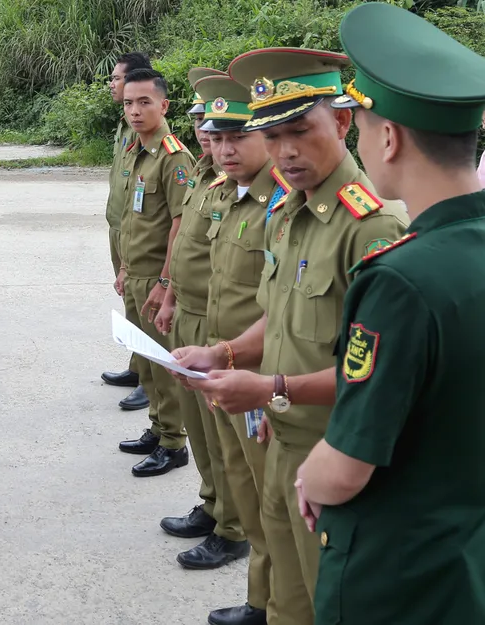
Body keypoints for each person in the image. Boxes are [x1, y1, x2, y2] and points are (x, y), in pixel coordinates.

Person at [174, 48, 409, 625]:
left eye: (300, 131)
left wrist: (269, 386)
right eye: (273, 137)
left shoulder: (372, 229)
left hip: (334, 456)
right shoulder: (290, 212)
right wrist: (225, 352)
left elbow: (382, 376)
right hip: (279, 439)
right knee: (286, 602)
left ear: (344, 122)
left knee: (331, 604)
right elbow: (278, 318)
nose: (286, 152)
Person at [296, 4, 485, 623]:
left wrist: (310, 476)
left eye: (361, 123)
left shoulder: (402, 279)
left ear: (389, 136)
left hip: (403, 577)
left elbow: (346, 469)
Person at [185, 73, 281, 625]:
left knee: (267, 500)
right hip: (226, 366)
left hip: (261, 379)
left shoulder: (281, 205)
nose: (223, 148)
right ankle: (260, 599)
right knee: (240, 483)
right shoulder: (231, 194)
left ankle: (269, 602)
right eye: (217, 137)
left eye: (237, 137)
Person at [155, 67, 249, 572]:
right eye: (212, 134)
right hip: (192, 317)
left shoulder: (260, 196)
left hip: (228, 335)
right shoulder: (211, 183)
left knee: (226, 439)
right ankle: (213, 505)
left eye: (229, 135)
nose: (212, 142)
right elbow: (188, 247)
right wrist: (169, 295)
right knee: (201, 432)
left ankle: (232, 529)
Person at [115, 67, 195, 477]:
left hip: (157, 279)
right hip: (136, 275)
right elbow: (133, 218)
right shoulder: (135, 150)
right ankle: (157, 428)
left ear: (164, 105)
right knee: (144, 364)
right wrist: (125, 268)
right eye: (129, 102)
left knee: (163, 368)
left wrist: (166, 283)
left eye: (144, 102)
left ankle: (173, 443)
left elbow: (181, 224)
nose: (135, 110)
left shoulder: (174, 157)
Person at [101, 51, 153, 414]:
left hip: (138, 232)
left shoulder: (149, 132)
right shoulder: (124, 125)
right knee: (129, 301)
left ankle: (152, 383)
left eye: (116, 78)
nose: (112, 85)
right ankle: (138, 368)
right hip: (119, 226)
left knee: (143, 307)